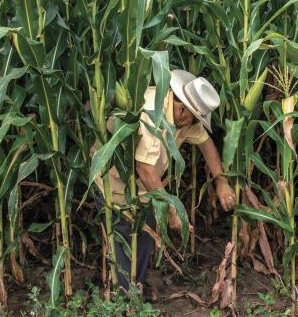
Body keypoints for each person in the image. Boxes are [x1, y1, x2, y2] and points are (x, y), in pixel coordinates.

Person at [93, 69, 236, 298]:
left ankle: (134, 286)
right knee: (121, 234)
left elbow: (206, 144)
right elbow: (145, 169)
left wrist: (221, 182)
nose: (194, 123)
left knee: (146, 230)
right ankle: (123, 297)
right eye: (194, 117)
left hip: (145, 188)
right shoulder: (151, 114)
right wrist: (172, 211)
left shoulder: (183, 116)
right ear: (181, 109)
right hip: (113, 182)